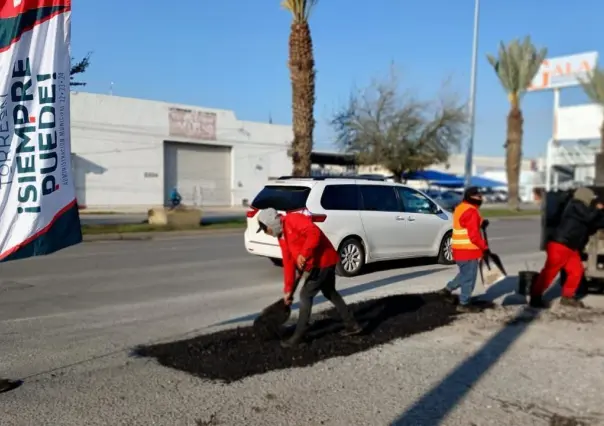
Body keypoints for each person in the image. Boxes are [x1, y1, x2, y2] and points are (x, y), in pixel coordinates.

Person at [256, 208, 363, 348]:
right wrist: (288, 289)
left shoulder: (293, 220)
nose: (266, 232)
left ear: (272, 223)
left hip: (323, 261)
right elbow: (288, 262)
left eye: (266, 229)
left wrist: (304, 254)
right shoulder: (281, 237)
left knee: (305, 295)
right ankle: (352, 325)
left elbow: (314, 233)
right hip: (318, 264)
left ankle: (298, 336)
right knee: (330, 292)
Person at [530, 187, 604, 309]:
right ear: (584, 197)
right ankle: (535, 297)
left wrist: (600, 214)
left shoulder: (584, 209)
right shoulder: (576, 205)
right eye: (590, 199)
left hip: (570, 246)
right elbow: (589, 218)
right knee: (549, 272)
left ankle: (567, 297)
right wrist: (597, 209)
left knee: (576, 271)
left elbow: (595, 221)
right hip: (560, 245)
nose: (592, 201)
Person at [438, 186, 489, 313]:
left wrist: (481, 222)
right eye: (478, 196)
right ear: (471, 197)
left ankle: (447, 290)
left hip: (458, 250)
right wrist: (484, 247)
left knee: (464, 274)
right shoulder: (471, 211)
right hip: (468, 251)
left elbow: (466, 222)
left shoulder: (462, 207)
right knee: (469, 277)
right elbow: (473, 235)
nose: (480, 198)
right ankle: (464, 303)